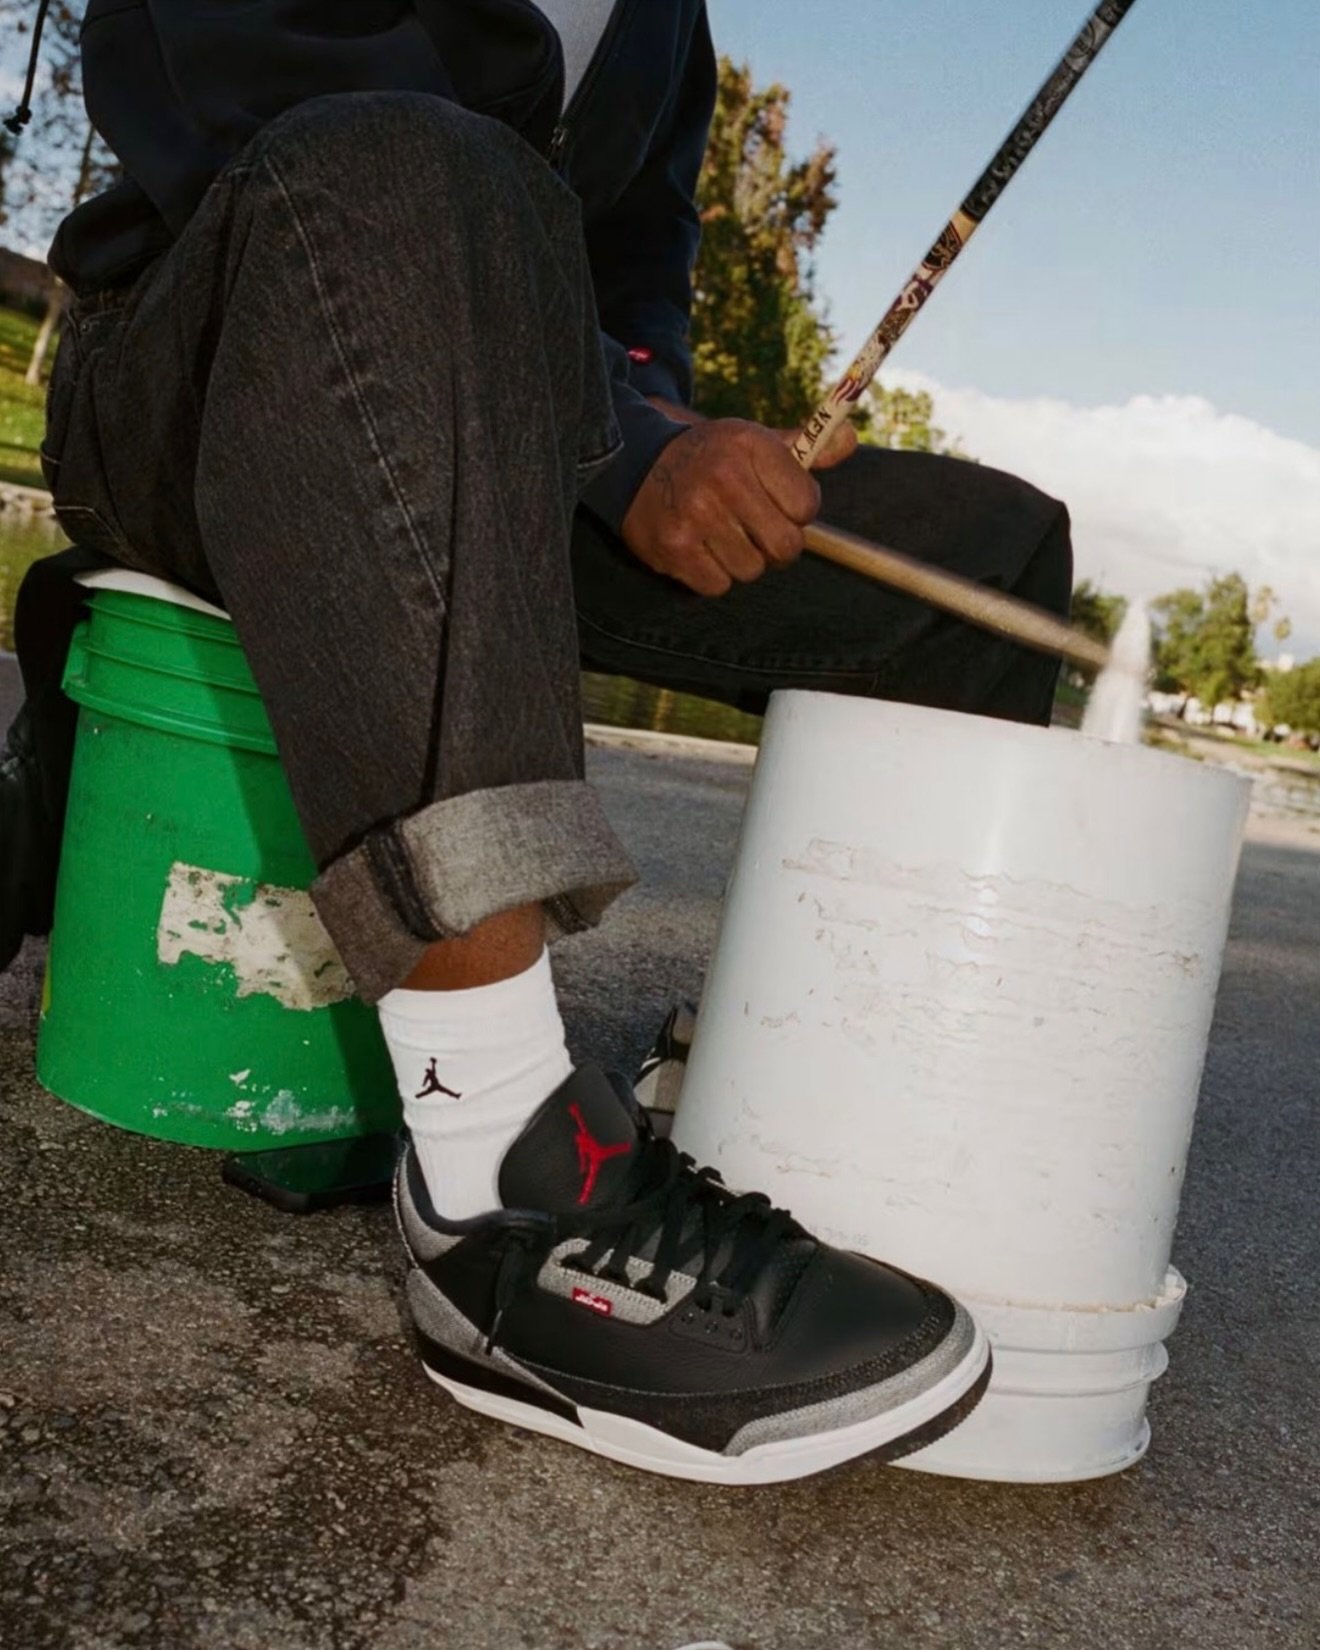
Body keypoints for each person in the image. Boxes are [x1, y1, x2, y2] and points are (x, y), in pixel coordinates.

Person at [1, 0, 1072, 1484]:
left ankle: (802, 1076)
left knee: (996, 559)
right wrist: (629, 452)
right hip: (208, 354)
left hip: (520, 435)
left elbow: (637, 288)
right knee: (428, 175)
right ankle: (497, 1170)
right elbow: (239, 98)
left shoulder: (663, 27)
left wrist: (668, 436)